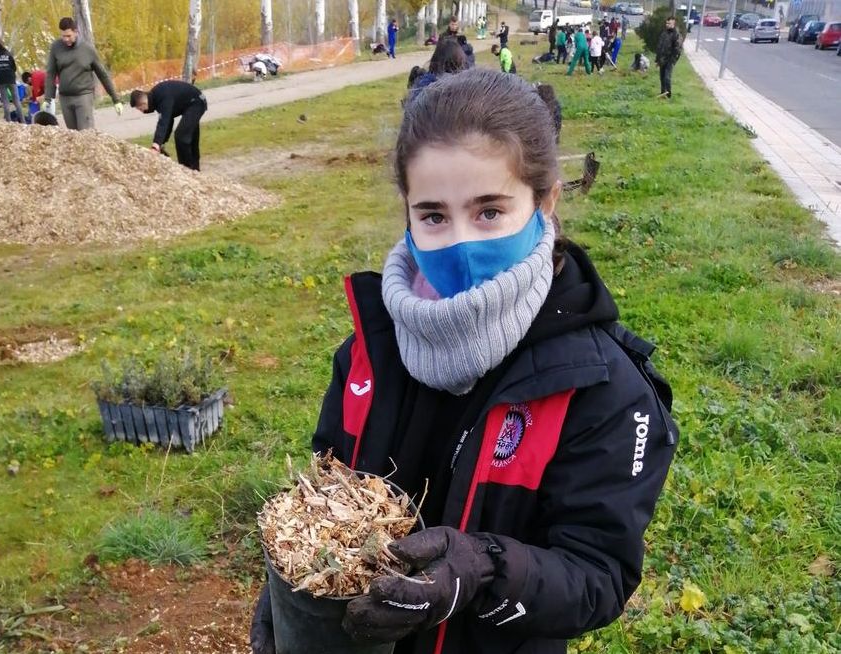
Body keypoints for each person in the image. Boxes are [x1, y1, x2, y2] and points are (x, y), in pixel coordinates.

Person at [249, 67, 678, 654]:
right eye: (432, 215)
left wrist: (483, 570)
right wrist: (289, 598)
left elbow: (599, 577)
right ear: (407, 212)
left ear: (545, 202)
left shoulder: (604, 390)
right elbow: (325, 497)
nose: (458, 242)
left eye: (490, 212)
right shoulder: (368, 351)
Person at [43, 16, 123, 130]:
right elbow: (51, 73)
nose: (66, 39)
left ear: (76, 32)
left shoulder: (87, 49)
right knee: (73, 136)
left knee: (86, 134)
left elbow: (102, 75)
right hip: (65, 98)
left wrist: (116, 99)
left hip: (83, 96)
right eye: (63, 36)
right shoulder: (56, 47)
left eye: (68, 36)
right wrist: (48, 98)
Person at [129, 80, 207, 171]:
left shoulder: (161, 96)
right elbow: (168, 120)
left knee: (181, 136)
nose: (142, 112)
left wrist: (156, 145)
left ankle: (187, 170)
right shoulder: (156, 98)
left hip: (196, 102)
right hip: (191, 104)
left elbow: (163, 122)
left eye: (140, 109)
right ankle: (195, 169)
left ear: (142, 104)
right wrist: (161, 143)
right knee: (188, 135)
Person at [0, 36, 23, 124]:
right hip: (11, 78)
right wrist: (10, 72)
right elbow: (14, 66)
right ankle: (22, 121)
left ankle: (8, 122)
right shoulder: (7, 53)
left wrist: (0, 72)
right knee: (16, 100)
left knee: (5, 101)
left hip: (1, 79)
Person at [655, 17, 682, 98]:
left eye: (669, 23)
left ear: (673, 24)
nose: (667, 25)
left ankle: (668, 94)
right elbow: (660, 47)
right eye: (666, 23)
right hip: (662, 59)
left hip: (670, 60)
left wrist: (672, 60)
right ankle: (663, 92)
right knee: (662, 77)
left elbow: (677, 49)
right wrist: (657, 60)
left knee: (667, 77)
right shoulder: (664, 33)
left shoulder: (676, 35)